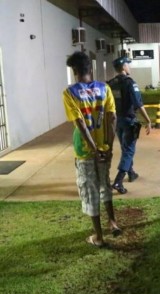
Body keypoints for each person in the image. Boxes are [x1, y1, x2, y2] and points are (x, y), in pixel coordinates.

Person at [63, 51, 121, 247]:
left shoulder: (70, 93)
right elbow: (112, 118)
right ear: (90, 68)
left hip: (85, 150)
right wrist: (108, 147)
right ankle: (113, 222)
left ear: (76, 71)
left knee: (90, 189)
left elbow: (80, 123)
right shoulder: (104, 88)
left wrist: (93, 149)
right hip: (105, 147)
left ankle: (98, 236)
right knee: (105, 183)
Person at [108, 57, 152, 194]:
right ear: (123, 67)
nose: (129, 67)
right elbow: (138, 104)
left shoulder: (110, 84)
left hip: (117, 121)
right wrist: (148, 120)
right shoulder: (130, 83)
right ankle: (118, 181)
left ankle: (131, 172)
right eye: (128, 64)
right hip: (128, 121)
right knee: (128, 150)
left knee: (125, 147)